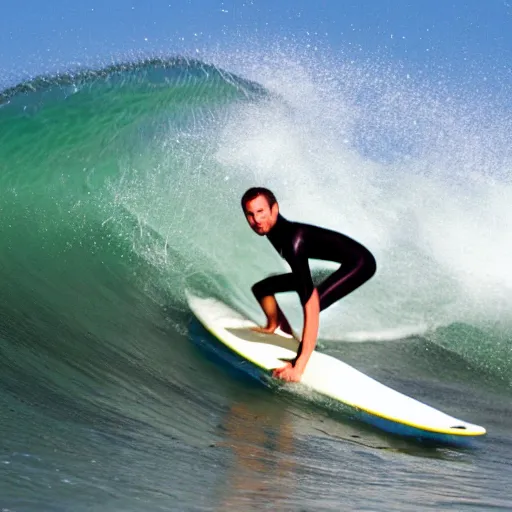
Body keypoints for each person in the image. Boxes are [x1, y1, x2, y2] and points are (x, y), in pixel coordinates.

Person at [241, 187, 376, 383]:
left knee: (316, 301)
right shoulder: (272, 230)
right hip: (345, 260)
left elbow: (311, 305)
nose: (256, 220)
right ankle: (275, 326)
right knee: (262, 289)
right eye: (250, 215)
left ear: (274, 209)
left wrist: (298, 367)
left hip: (361, 263)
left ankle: (300, 358)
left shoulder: (291, 241)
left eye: (261, 212)